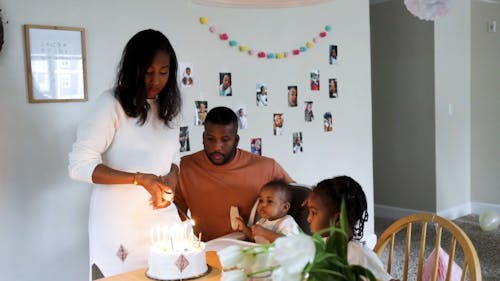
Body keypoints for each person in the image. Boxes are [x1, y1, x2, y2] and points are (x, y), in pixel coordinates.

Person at [68, 29, 183, 279]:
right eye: (148, 72)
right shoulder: (110, 105)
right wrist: (138, 179)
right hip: (119, 227)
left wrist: (173, 174)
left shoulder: (169, 107)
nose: (156, 81)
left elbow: (175, 155)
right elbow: (79, 166)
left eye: (163, 73)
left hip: (163, 222)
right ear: (133, 70)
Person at [175, 106, 294, 241]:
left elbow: (296, 197)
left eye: (225, 140)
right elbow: (175, 216)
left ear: (236, 140)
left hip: (250, 248)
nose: (217, 147)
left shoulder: (266, 167)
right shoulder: (184, 167)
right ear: (203, 138)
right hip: (206, 250)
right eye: (210, 139)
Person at [304, 176, 397, 281]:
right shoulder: (321, 245)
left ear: (338, 219)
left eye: (314, 213)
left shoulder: (360, 256)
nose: (308, 219)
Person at [235, 180, 300, 244]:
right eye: (261, 200)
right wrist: (243, 227)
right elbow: (253, 237)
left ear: (284, 207)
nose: (262, 205)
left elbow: (289, 243)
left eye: (269, 201)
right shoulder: (262, 222)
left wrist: (264, 233)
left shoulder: (287, 222)